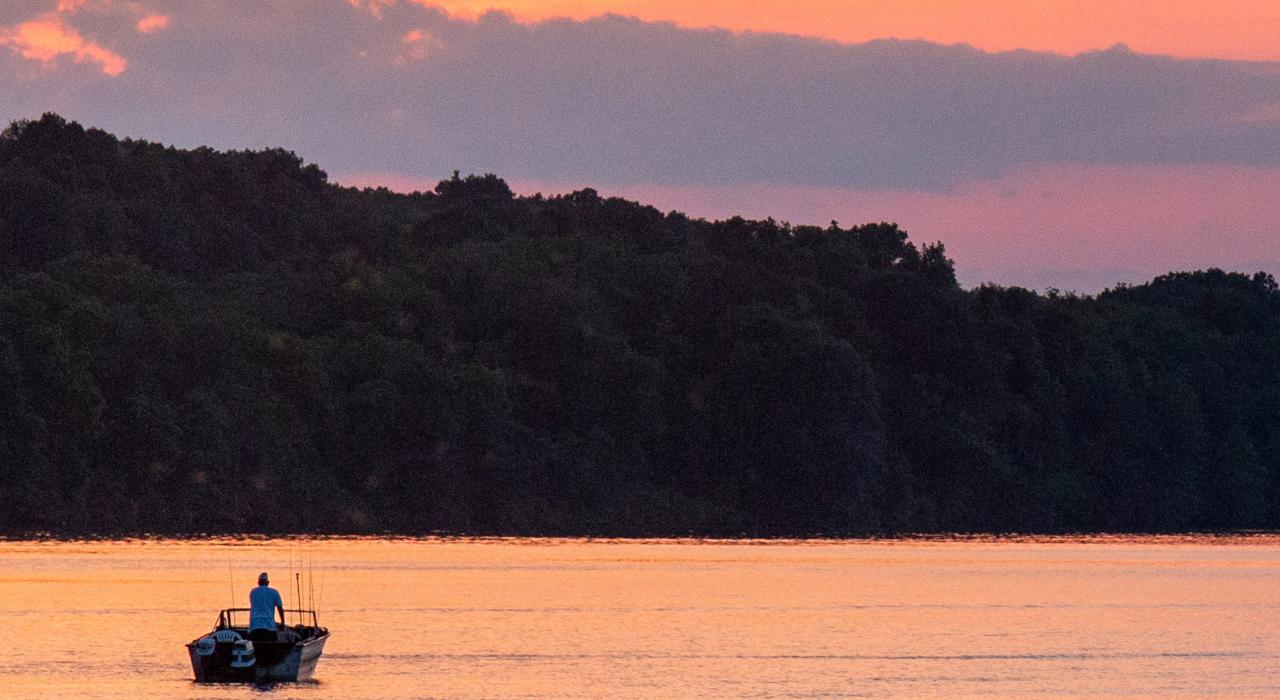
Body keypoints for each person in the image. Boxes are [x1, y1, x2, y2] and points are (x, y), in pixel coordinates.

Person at [248, 571, 286, 642]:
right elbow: (280, 608)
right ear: (268, 583)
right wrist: (282, 623)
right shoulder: (274, 592)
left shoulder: (253, 592)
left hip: (254, 626)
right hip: (269, 627)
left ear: (258, 583)